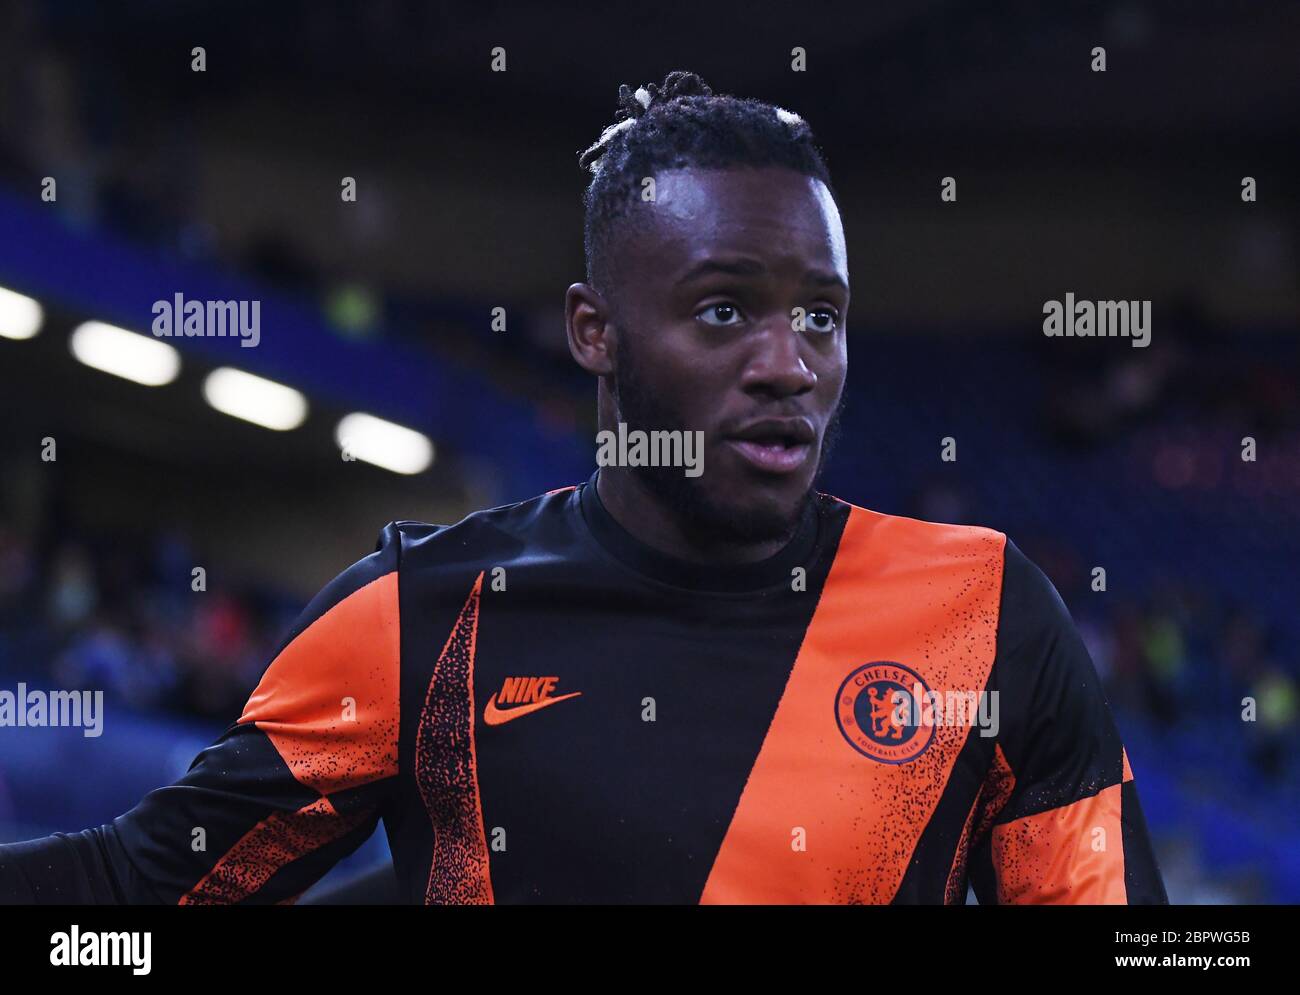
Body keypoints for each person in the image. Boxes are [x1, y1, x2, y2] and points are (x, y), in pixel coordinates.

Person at [0, 71, 1166, 904]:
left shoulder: (986, 615)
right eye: (724, 310)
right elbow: (135, 892)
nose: (788, 361)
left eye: (820, 313)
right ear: (593, 330)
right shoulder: (419, 618)